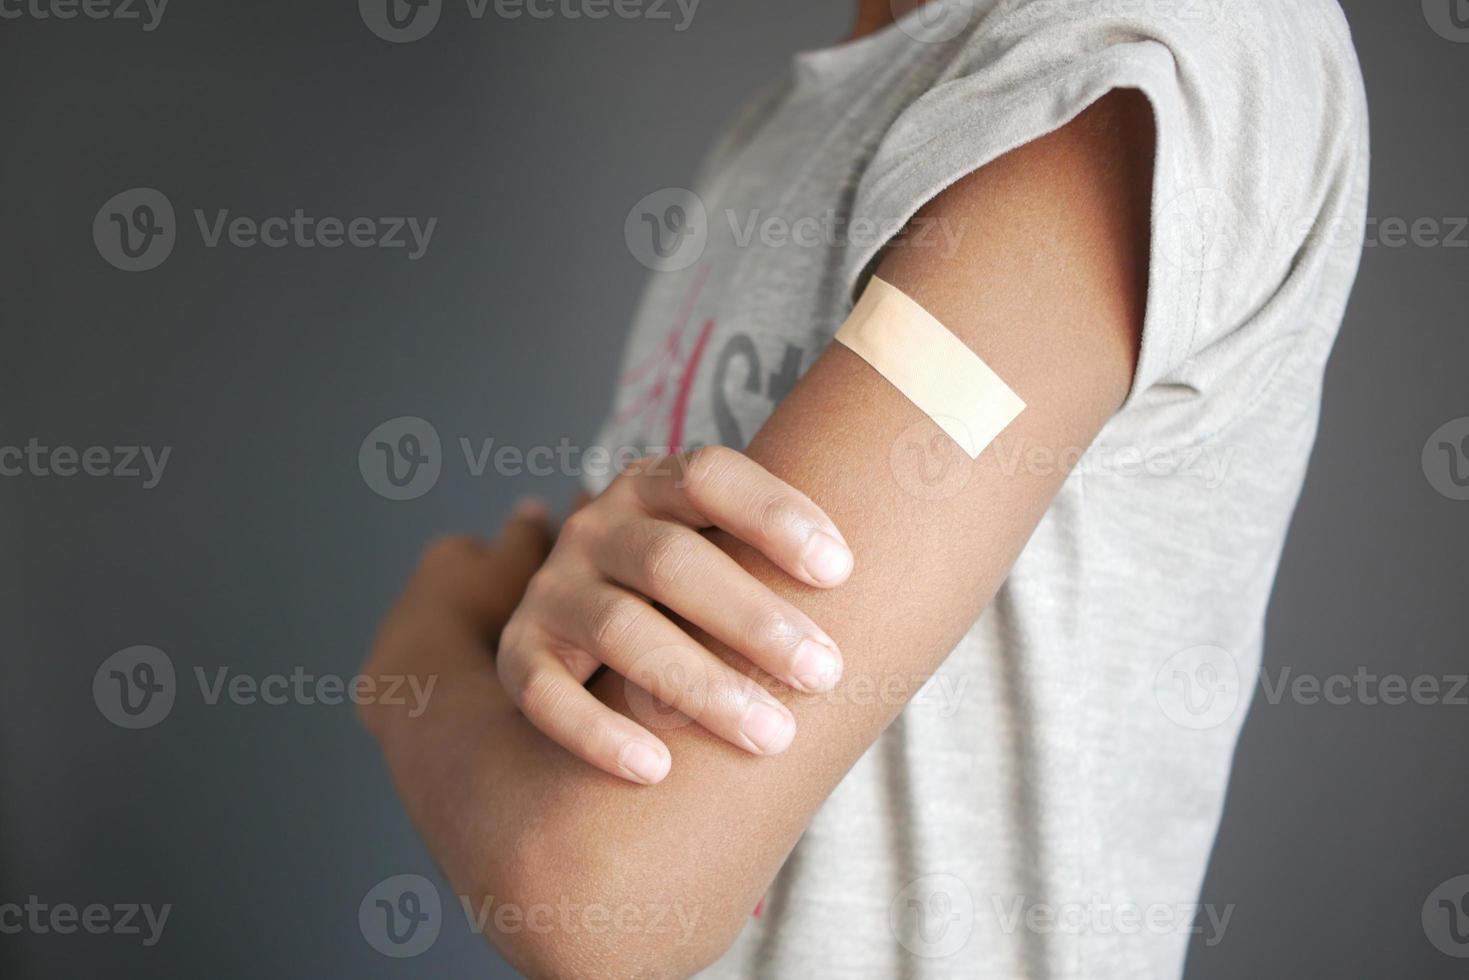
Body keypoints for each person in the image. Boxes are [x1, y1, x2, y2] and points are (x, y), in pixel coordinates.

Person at [360, 0, 1369, 976]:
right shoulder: (780, 127)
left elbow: (602, 896)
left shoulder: (1142, 42)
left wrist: (417, 660)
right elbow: (581, 711)